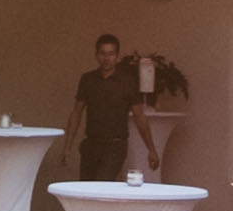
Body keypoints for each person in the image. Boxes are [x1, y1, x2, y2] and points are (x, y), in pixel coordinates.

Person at [73, 32, 186, 186]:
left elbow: (140, 117)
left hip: (115, 145)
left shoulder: (127, 82)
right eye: (103, 54)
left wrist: (151, 149)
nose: (106, 58)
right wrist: (67, 146)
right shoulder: (88, 79)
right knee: (84, 189)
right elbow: (76, 113)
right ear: (96, 55)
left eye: (111, 54)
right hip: (91, 144)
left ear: (117, 56)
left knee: (102, 185)